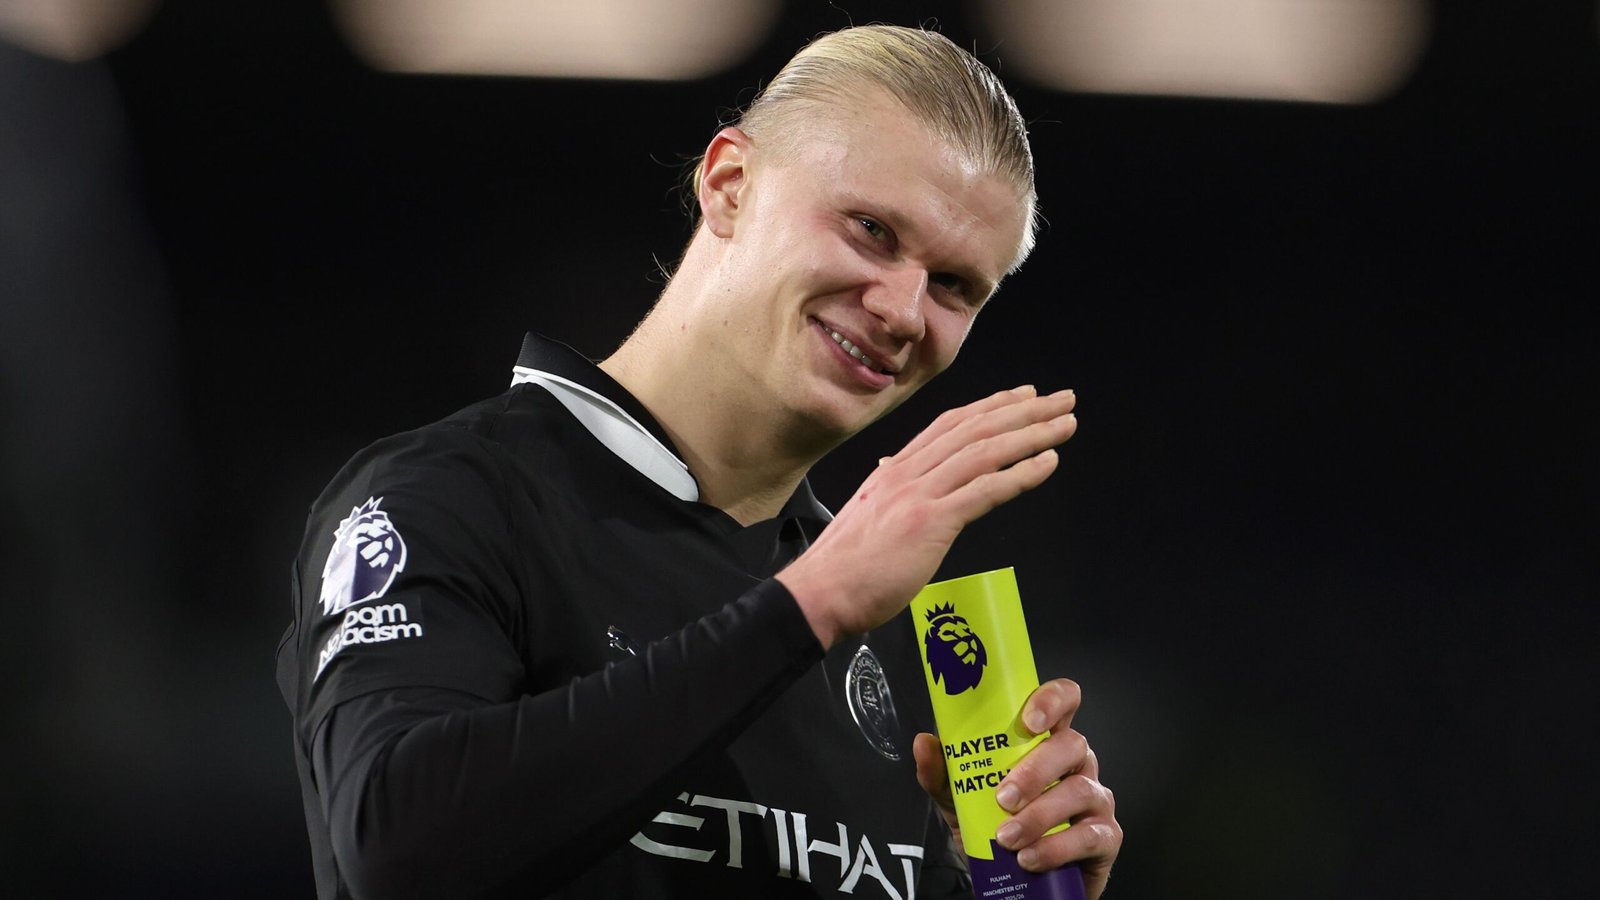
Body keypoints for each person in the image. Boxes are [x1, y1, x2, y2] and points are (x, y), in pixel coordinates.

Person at [277, 24, 1121, 899]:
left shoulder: (898, 632)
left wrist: (1015, 887)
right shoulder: (447, 498)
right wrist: (810, 606)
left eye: (954, 286)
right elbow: (393, 846)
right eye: (871, 230)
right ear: (728, 185)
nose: (905, 311)